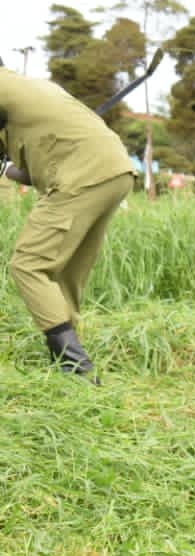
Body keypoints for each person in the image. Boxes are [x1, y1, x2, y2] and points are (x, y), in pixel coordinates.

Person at [0, 65, 135, 380]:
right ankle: (68, 360)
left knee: (28, 264)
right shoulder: (29, 91)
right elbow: (32, 172)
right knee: (66, 270)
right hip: (115, 170)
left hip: (82, 174)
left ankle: (76, 367)